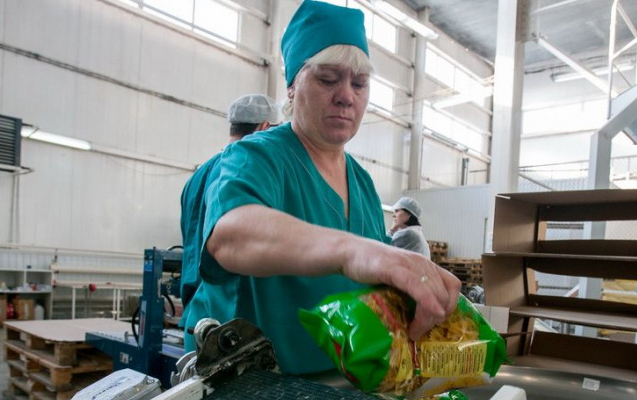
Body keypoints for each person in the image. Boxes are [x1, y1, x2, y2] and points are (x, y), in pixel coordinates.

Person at [183, 0, 461, 375]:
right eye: (328, 79)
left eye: (359, 84)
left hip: (334, 385)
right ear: (292, 87)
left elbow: (367, 289)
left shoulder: (361, 183)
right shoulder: (257, 157)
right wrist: (352, 251)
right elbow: (230, 236)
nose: (346, 95)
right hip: (250, 384)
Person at [179, 93, 281, 328]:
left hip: (195, 310)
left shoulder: (197, 176)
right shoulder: (241, 172)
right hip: (225, 315)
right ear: (264, 127)